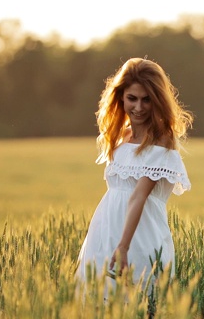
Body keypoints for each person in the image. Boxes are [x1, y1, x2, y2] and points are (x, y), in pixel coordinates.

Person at [76, 57, 193, 299]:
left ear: (157, 100)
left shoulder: (162, 139)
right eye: (132, 99)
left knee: (139, 306)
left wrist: (124, 246)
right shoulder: (121, 137)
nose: (138, 107)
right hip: (105, 232)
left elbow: (138, 196)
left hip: (138, 238)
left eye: (146, 99)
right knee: (98, 307)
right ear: (121, 98)